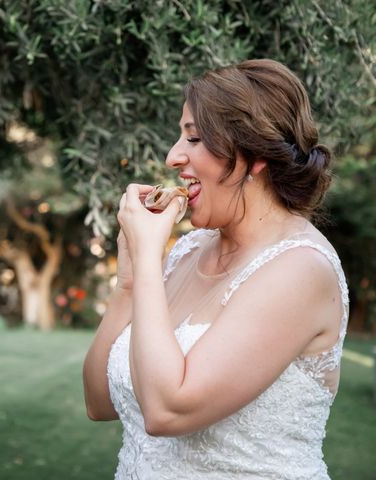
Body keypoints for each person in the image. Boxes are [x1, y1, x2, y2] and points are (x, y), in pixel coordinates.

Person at [83, 59, 348, 479]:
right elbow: (99, 402)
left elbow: (167, 410)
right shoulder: (188, 251)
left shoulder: (300, 270)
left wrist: (152, 261)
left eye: (195, 138)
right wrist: (131, 283)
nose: (174, 156)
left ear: (255, 154)